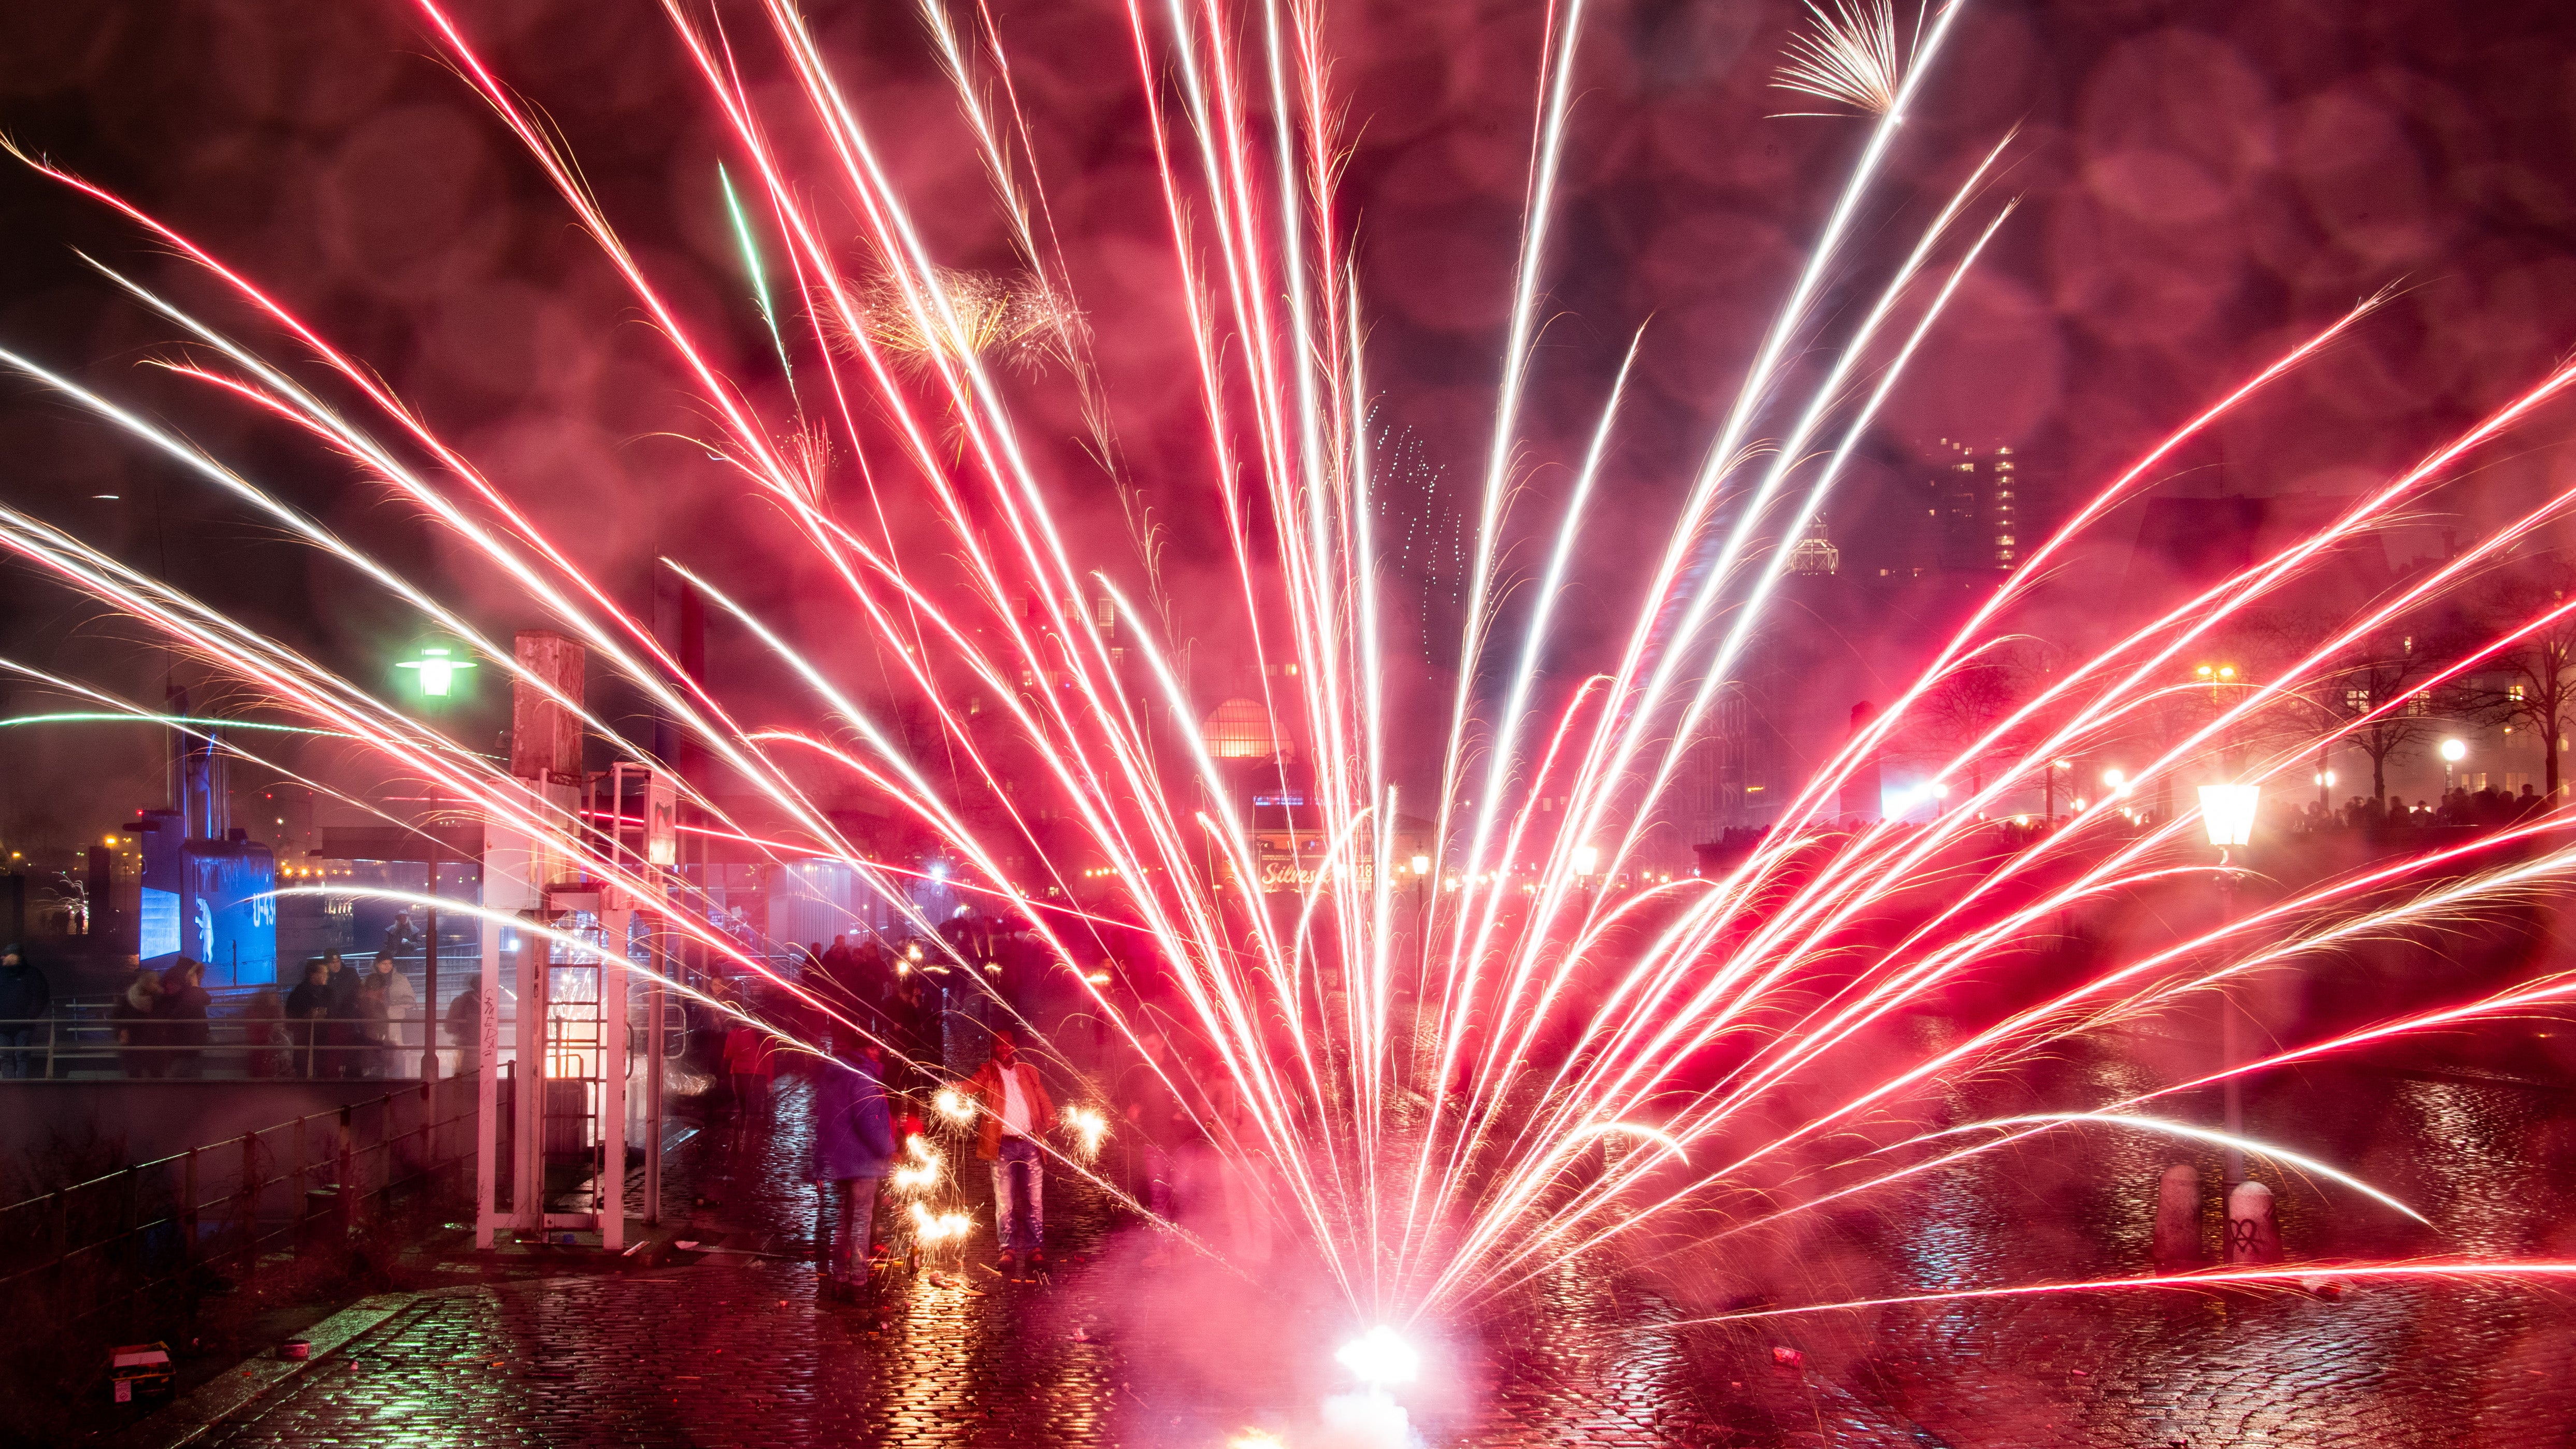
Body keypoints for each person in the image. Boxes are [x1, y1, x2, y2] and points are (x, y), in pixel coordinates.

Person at [809, 1041, 897, 1301]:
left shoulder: (832, 1076)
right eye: (872, 1048)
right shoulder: (863, 1078)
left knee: (844, 1223)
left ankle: (839, 1278)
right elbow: (869, 1121)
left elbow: (822, 1123)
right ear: (860, 1050)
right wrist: (889, 1149)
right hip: (863, 1162)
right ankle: (859, 1282)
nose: (878, 1052)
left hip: (840, 1161)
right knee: (860, 1224)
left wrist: (820, 1163)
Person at [969, 1028, 1054, 1271]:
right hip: (1002, 1145)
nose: (1005, 1048)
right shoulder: (988, 1072)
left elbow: (1042, 1096)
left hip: (1030, 1143)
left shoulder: (1027, 1071)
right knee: (1004, 1202)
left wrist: (1051, 1115)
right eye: (999, 1045)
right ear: (993, 1048)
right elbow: (972, 1085)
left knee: (1034, 1201)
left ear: (1015, 1046)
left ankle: (1035, 1249)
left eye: (1009, 1044)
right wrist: (956, 1088)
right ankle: (1007, 1250)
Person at [156, 958, 212, 1080]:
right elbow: (206, 1000)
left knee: (182, 1077)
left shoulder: (178, 984)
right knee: (186, 1079)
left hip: (184, 1044)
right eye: (197, 976)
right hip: (185, 1043)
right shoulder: (181, 986)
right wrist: (195, 986)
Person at [0, 945, 49, 1079]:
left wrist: (30, 1016)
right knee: (6, 1058)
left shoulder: (31, 974)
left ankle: (21, 1088)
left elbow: (41, 996)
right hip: (3, 1026)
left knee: (22, 1057)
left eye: (5, 955)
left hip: (23, 1026)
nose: (2, 957)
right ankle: (12, 1090)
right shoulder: (3, 973)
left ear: (14, 956)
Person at [111, 967, 164, 1079]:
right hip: (138, 1042)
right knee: (141, 1074)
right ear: (147, 984)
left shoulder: (131, 996)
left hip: (146, 1043)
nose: (158, 985)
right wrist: (122, 1030)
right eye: (155, 982)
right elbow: (116, 1016)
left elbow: (116, 1015)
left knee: (153, 1074)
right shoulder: (155, 998)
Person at [368, 953, 418, 1071]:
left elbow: (411, 1000)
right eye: (384, 964)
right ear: (377, 964)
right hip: (375, 1022)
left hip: (396, 1022)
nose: (387, 966)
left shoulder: (401, 979)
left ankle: (397, 1076)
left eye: (390, 963)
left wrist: (398, 1003)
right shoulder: (369, 979)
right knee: (377, 1053)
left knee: (397, 1054)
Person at [285, 958, 333, 1077]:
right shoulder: (299, 993)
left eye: (327, 973)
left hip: (324, 1037)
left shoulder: (329, 992)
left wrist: (326, 1015)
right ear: (313, 974)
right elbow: (291, 1018)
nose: (327, 976)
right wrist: (307, 1017)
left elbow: (334, 1011)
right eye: (323, 973)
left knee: (322, 1068)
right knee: (303, 1069)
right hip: (305, 1040)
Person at [724, 1019, 779, 1117]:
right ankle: (754, 1130)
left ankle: (744, 1131)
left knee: (744, 1110)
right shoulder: (765, 1034)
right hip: (758, 1076)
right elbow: (769, 1059)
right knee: (755, 1111)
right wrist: (770, 1082)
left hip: (739, 1076)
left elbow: (728, 1055)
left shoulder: (734, 1033)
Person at [323, 951, 362, 1079]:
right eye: (332, 962)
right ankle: (332, 1077)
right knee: (334, 1052)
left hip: (349, 1018)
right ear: (327, 963)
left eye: (338, 961)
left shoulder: (351, 974)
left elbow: (359, 991)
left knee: (351, 1050)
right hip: (331, 1021)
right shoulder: (324, 976)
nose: (336, 965)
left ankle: (353, 1076)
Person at [242, 986, 288, 1078]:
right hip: (262, 1049)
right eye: (274, 996)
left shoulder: (275, 1010)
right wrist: (271, 1028)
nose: (276, 999)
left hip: (271, 1050)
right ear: (266, 997)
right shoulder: (255, 1012)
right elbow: (255, 1033)